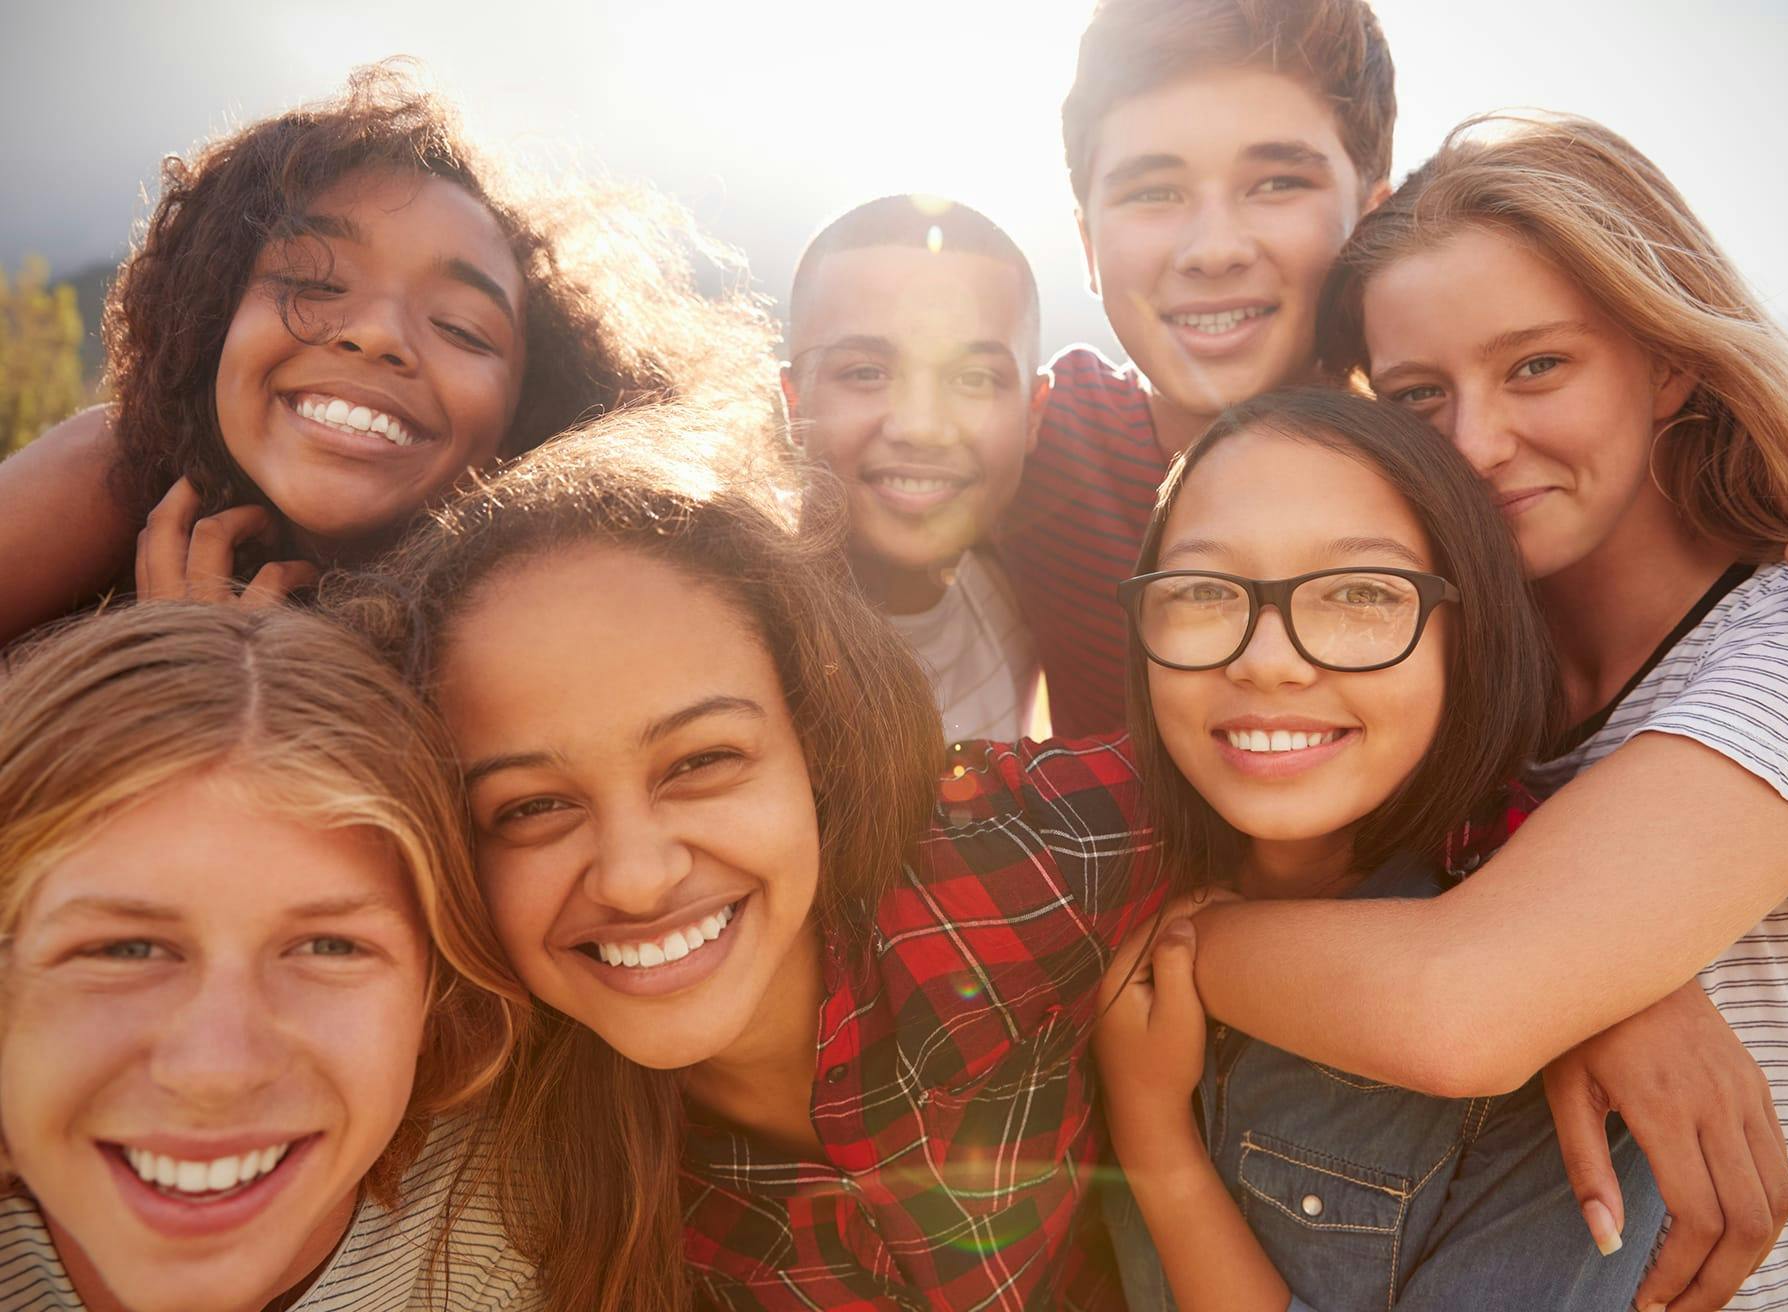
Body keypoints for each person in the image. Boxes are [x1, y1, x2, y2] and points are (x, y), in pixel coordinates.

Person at [1170, 113, 1788, 1312]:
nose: (1476, 440)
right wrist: (1588, 981)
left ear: (1668, 359)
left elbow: (1460, 1005)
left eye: (1536, 367)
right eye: (1419, 394)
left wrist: (1162, 953)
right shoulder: (1482, 728)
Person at [328, 406, 1162, 1311]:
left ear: (819, 737)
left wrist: (1244, 961)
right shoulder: (505, 1163)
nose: (636, 876)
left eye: (701, 762)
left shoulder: (1023, 853)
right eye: (531, 808)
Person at [998, 0, 1788, 742]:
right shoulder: (1032, 441)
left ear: (1371, 216)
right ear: (1085, 240)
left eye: (1277, 182)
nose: (1213, 248)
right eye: (1153, 192)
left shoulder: (1457, 486)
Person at [1095, 388, 1662, 1311]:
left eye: (1360, 593)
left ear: (1466, 635)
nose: (1268, 661)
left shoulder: (1556, 1037)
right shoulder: (1087, 898)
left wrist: (1156, 1141)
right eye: (1202, 591)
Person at [0, 62, 773, 647]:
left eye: (465, 329)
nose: (377, 335)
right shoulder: (110, 471)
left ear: (522, 424)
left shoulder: (546, 624)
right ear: (213, 325)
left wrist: (204, 684)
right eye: (313, 280)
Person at [0, 604, 531, 1312]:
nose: (217, 1071)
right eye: (123, 949)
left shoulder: (500, 1226)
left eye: (328, 947)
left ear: (434, 1002)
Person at [783, 195, 1050, 742]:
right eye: (865, 372)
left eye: (973, 378)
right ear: (792, 403)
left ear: (1034, 413)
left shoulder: (1023, 591)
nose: (922, 426)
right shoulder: (727, 638)